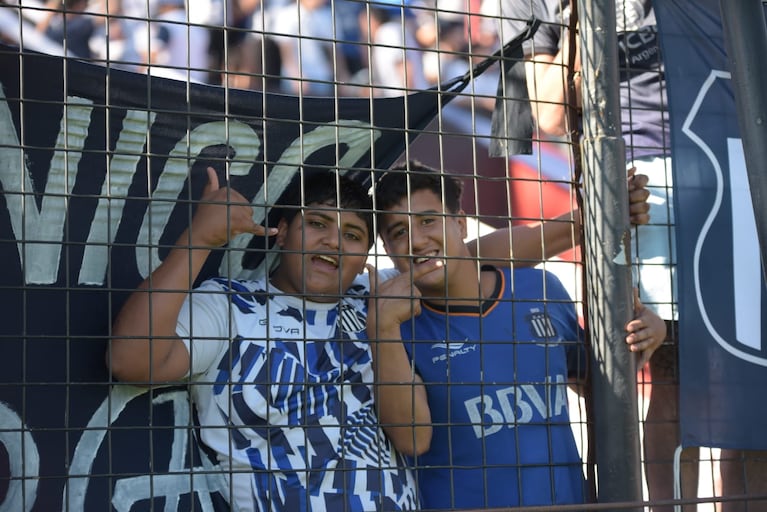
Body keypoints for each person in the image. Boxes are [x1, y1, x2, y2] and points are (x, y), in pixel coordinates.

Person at [108, 168, 420, 511]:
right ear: (282, 233)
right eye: (317, 224)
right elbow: (130, 360)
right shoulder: (230, 306)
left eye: (353, 234)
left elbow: (475, 259)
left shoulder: (378, 296)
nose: (333, 241)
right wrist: (200, 237)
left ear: (364, 258)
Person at [367, 161, 666, 509]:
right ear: (387, 249)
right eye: (398, 232)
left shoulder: (540, 289)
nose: (416, 240)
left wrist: (648, 333)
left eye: (428, 220)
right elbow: (412, 439)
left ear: (460, 223)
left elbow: (596, 384)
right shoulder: (397, 324)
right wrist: (383, 328)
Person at [496, 2, 693, 510]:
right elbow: (549, 112)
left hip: (723, 147)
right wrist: (579, 19)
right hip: (640, 170)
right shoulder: (531, 3)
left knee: (743, 361)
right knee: (668, 368)